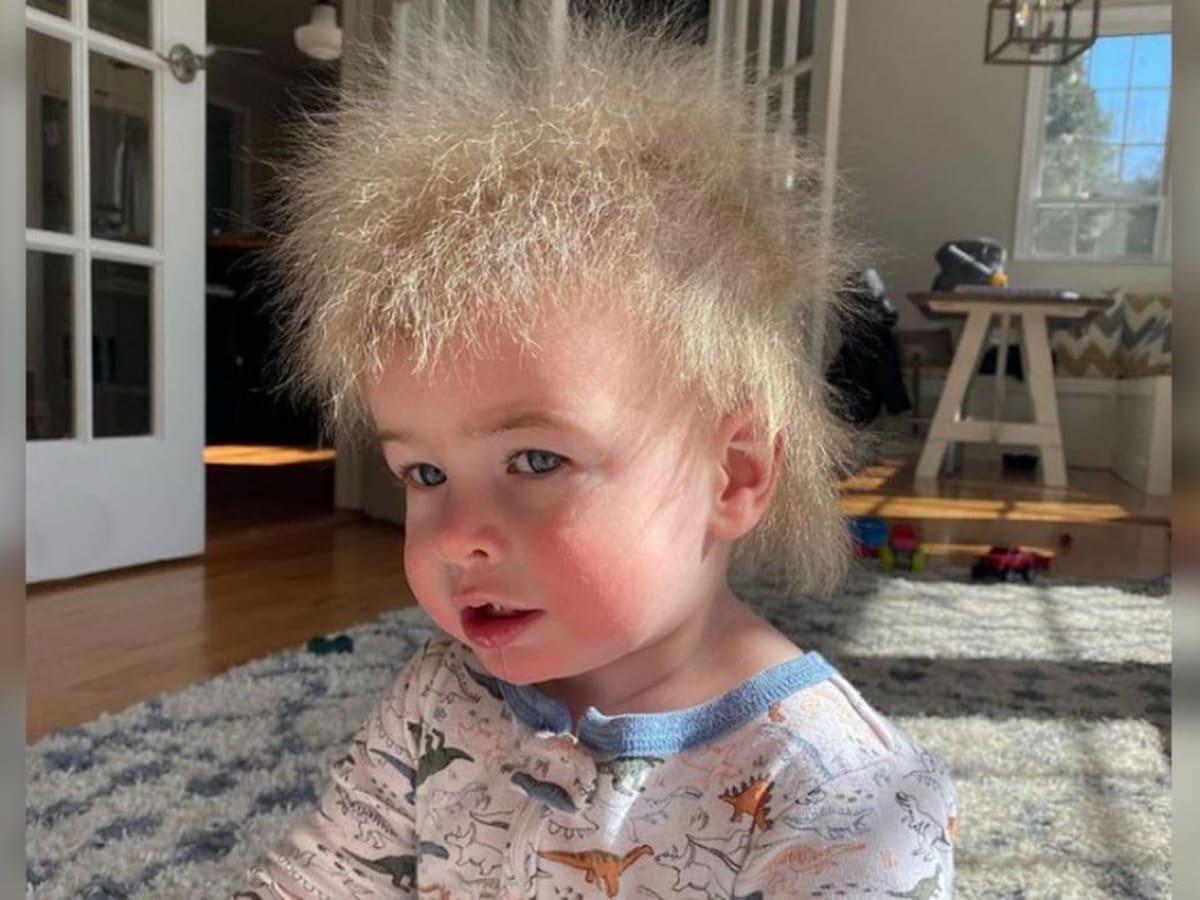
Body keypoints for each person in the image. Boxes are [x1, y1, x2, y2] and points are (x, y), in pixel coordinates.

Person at [241, 11, 956, 899]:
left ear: (732, 473)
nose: (457, 535)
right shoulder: (442, 700)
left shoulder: (843, 804)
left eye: (536, 460)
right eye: (424, 473)